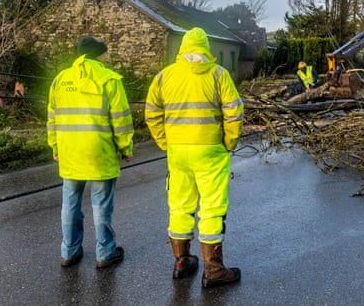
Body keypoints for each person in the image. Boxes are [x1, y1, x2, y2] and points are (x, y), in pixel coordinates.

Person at [145, 27, 244, 288]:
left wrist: (165, 142)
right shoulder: (218, 75)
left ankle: (182, 262)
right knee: (211, 207)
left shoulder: (164, 76)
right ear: (206, 48)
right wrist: (229, 142)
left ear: (183, 49)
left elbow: (151, 112)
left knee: (179, 205)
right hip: (210, 150)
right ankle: (213, 269)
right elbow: (234, 112)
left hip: (177, 153)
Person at [47, 35, 134, 269]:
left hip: (69, 152)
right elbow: (121, 120)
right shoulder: (109, 79)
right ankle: (105, 253)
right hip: (99, 152)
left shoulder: (60, 80)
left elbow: (52, 118)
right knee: (101, 205)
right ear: (100, 55)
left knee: (70, 203)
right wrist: (126, 147)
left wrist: (55, 146)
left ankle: (69, 251)